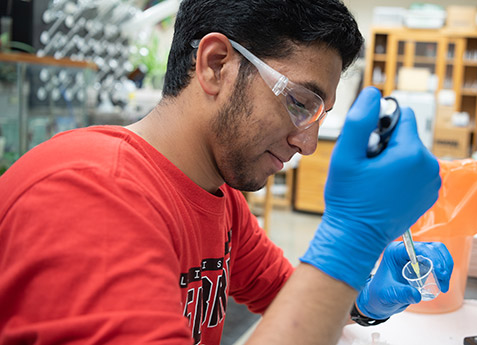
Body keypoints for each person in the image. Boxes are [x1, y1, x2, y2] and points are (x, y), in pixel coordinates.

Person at [0, 1, 453, 344]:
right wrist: (354, 236)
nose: (307, 143)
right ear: (216, 65)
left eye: (320, 116)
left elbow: (288, 299)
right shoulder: (88, 195)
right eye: (300, 103)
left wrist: (364, 298)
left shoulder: (219, 199)